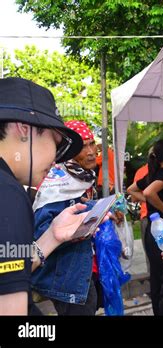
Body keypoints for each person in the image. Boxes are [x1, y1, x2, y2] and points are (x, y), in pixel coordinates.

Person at [0, 77, 99, 315]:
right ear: (24, 129)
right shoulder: (8, 194)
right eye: (55, 142)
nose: (56, 159)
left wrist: (52, 236)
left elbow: (8, 262)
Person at [31, 121, 103, 315]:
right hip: (66, 278)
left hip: (84, 269)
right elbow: (41, 232)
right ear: (69, 151)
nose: (91, 151)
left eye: (92, 144)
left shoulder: (80, 179)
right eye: (83, 146)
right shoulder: (56, 185)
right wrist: (78, 231)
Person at [127, 139, 163, 315]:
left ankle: (158, 310)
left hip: (152, 228)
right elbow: (148, 193)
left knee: (157, 275)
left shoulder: (152, 174)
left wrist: (152, 203)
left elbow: (132, 190)